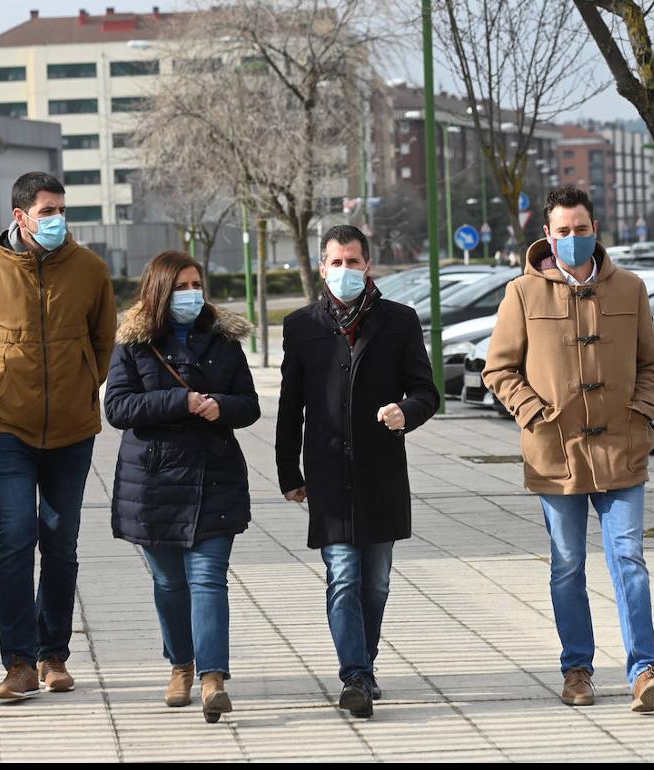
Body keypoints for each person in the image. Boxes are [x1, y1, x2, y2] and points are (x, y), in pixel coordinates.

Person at [483, 185, 654, 713]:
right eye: (562, 231)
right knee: (567, 564)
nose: (572, 238)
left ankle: (645, 671)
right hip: (555, 452)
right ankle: (577, 670)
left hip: (622, 449)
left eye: (581, 229)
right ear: (547, 235)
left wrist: (641, 409)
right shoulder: (522, 293)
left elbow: (651, 363)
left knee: (628, 558)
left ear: (595, 230)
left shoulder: (630, 288)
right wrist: (534, 414)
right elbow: (498, 368)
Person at [0, 172, 117, 701]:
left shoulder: (90, 270)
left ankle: (53, 656)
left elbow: (103, 340)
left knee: (61, 541)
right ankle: (19, 663)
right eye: (47, 210)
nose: (57, 219)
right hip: (6, 428)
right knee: (17, 537)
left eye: (61, 209)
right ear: (20, 216)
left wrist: (79, 386)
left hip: (72, 430)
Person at [275, 224, 439, 719]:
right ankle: (356, 675)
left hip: (381, 472)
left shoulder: (399, 321)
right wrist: (288, 469)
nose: (345, 270)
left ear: (368, 264)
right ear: (323, 267)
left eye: (354, 261)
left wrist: (405, 412)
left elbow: (427, 391)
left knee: (377, 583)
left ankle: (363, 665)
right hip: (327, 471)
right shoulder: (301, 325)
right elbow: (290, 405)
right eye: (336, 262)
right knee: (342, 575)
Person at [103, 251, 259, 723]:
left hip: (215, 476)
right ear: (159, 290)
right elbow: (118, 409)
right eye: (181, 286)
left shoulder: (224, 340)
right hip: (153, 482)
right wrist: (180, 401)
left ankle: (213, 678)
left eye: (197, 284)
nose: (192, 294)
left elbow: (249, 404)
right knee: (170, 582)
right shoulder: (132, 343)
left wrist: (221, 407)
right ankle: (181, 665)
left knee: (208, 579)